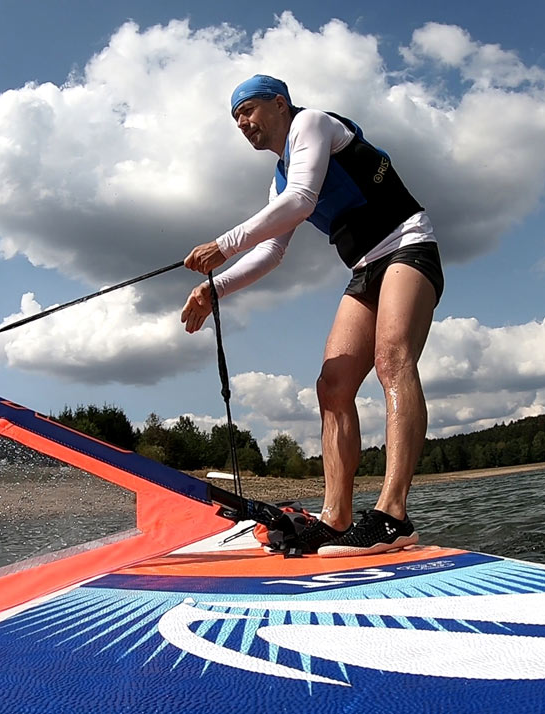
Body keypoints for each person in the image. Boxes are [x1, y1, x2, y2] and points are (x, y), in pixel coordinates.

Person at [181, 75, 443, 557]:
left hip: (408, 246)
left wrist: (222, 245)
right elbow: (272, 252)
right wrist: (213, 287)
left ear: (279, 103)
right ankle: (337, 518)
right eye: (236, 118)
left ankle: (393, 515)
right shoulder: (277, 179)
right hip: (365, 268)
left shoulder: (313, 124)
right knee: (333, 385)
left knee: (392, 361)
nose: (243, 123)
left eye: (249, 111)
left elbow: (301, 201)